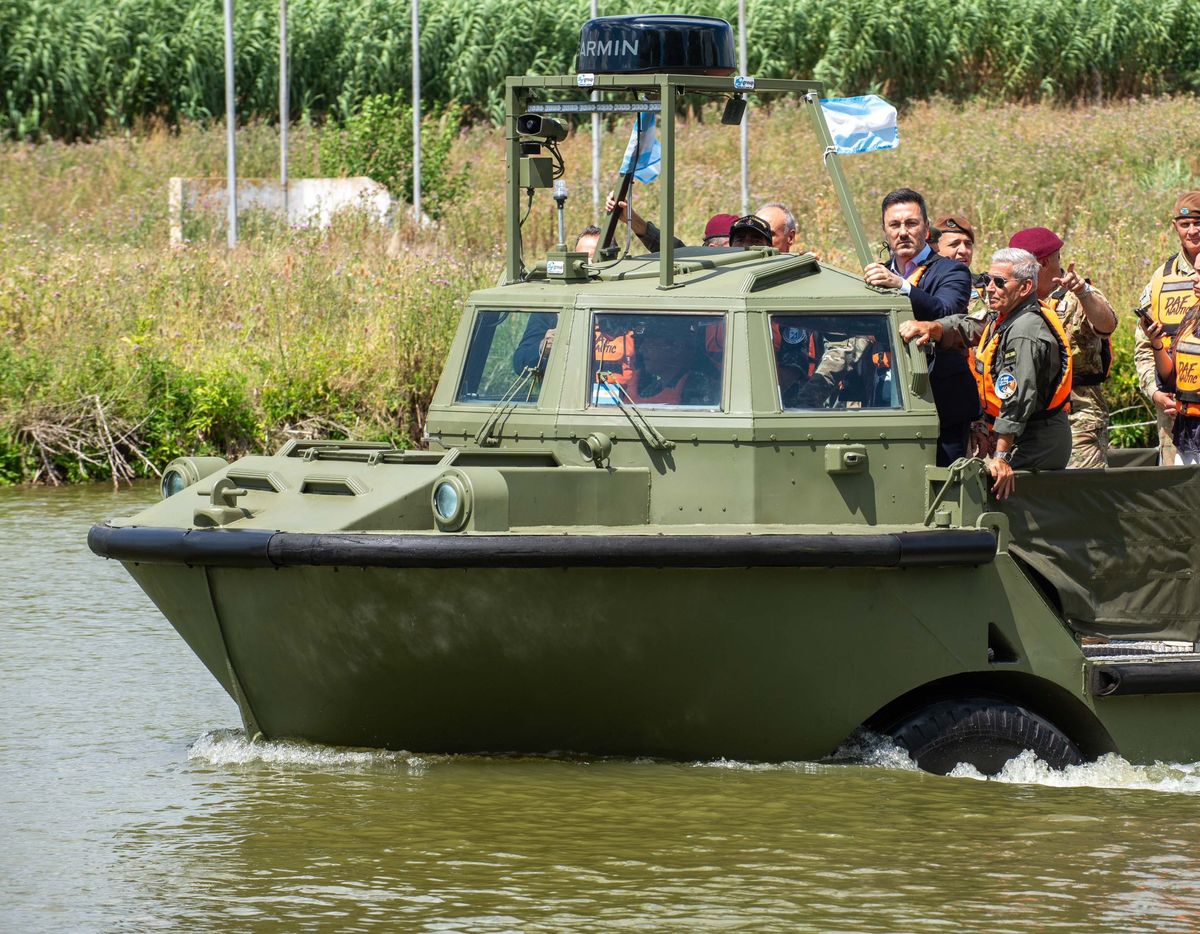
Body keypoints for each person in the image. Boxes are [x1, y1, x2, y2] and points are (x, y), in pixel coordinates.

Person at [899, 248, 1073, 498]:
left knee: (1000, 502)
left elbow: (1017, 397)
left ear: (1024, 288)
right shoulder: (1007, 315)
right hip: (1019, 435)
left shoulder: (1025, 331)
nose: (989, 288)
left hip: (1036, 439)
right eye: (986, 280)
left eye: (999, 282)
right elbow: (970, 325)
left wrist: (1001, 455)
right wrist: (934, 327)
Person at [862, 188, 977, 466]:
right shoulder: (875, 273)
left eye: (911, 223)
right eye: (895, 225)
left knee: (942, 485)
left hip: (940, 405)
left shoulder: (951, 270)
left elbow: (947, 312)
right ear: (885, 231)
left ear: (926, 229)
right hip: (886, 400)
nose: (903, 232)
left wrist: (901, 285)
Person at [1008, 226, 1117, 469]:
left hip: (1077, 416)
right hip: (1028, 416)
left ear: (1042, 263)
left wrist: (1083, 292)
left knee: (1079, 493)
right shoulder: (1015, 299)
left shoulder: (1078, 295)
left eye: (1018, 265)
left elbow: (1107, 325)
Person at [1134, 191, 1200, 464]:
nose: (1193, 231)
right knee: (1177, 498)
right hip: (1174, 414)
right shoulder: (1161, 278)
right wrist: (1154, 392)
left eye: (1199, 223)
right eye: (1185, 225)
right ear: (1175, 227)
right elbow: (1143, 346)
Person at [511, 227, 601, 372]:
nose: (588, 265)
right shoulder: (553, 308)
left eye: (595, 259)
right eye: (582, 259)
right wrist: (543, 348)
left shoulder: (626, 304)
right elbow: (520, 362)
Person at [1145, 271, 1200, 464]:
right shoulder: (1192, 315)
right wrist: (1157, 344)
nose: (1193, 277)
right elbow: (1171, 376)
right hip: (1185, 434)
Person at [625, 317, 720, 406]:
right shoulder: (653, 388)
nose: (642, 349)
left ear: (677, 347)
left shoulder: (700, 389)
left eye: (650, 342)